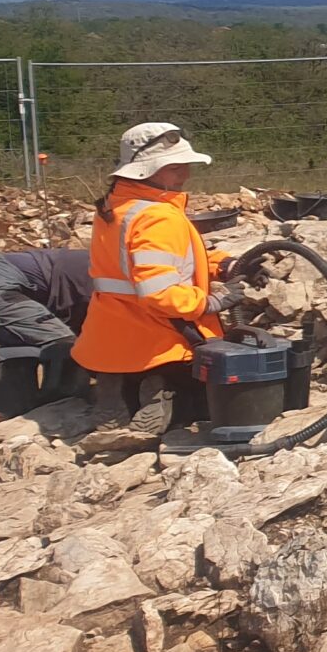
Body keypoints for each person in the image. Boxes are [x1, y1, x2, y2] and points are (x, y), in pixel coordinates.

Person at [70, 121, 226, 455]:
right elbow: (161, 293)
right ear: (147, 171)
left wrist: (219, 264)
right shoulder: (159, 216)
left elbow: (143, 264)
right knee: (195, 387)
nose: (185, 173)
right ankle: (161, 392)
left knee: (121, 372)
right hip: (156, 338)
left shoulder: (115, 207)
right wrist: (210, 303)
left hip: (110, 335)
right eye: (175, 167)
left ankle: (114, 392)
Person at [0, 247, 91, 396]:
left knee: (28, 350)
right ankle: (58, 402)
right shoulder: (103, 279)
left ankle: (12, 400)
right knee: (63, 345)